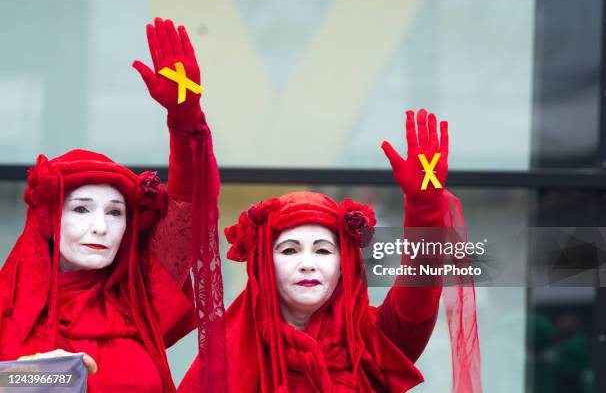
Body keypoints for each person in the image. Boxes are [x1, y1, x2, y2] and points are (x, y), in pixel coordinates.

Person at [178, 109, 481, 392]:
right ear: (263, 264)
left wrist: (424, 209)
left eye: (322, 251)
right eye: (289, 250)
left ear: (344, 265)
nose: (307, 264)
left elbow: (418, 296)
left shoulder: (371, 342)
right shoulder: (223, 355)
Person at [0, 18, 223, 392]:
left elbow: (192, 205)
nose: (100, 226)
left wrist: (185, 124)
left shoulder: (140, 295)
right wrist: (31, 380)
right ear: (48, 219)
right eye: (82, 209)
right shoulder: (7, 306)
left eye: (115, 212)